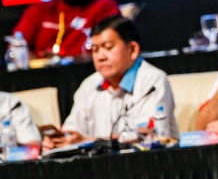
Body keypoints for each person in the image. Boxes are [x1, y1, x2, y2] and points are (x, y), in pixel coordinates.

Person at [43, 16, 178, 149]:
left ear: (132, 49)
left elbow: (147, 137)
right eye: (95, 50)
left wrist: (88, 141)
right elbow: (73, 130)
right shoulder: (89, 85)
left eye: (108, 47)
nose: (100, 57)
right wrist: (61, 140)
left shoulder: (153, 81)